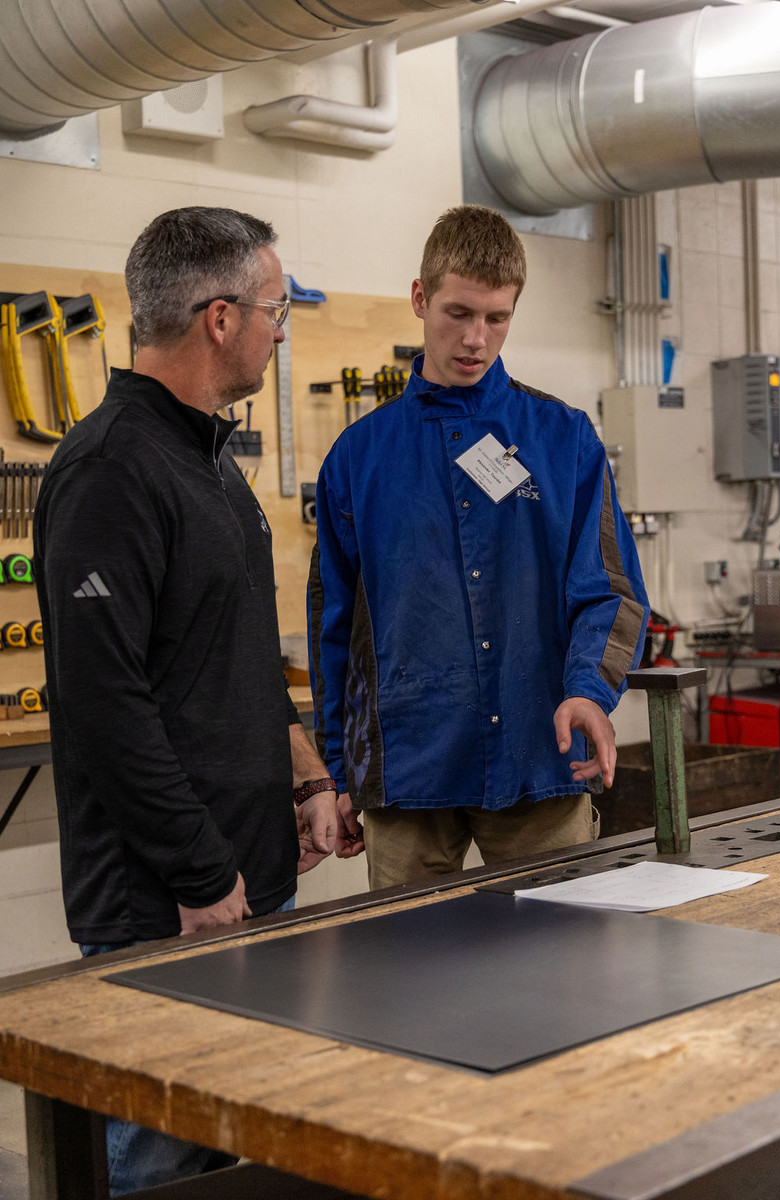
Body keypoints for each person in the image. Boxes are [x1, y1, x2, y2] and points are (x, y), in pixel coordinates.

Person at [33, 206, 338, 1195]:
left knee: (224, 1161)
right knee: (153, 1160)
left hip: (242, 883)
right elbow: (103, 704)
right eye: (273, 306)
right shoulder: (112, 468)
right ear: (218, 319)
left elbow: (240, 659)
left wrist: (302, 782)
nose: (279, 327)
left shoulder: (206, 459)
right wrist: (202, 876)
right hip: (166, 903)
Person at [308, 204, 649, 891]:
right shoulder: (358, 457)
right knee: (409, 981)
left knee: (560, 973)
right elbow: (334, 628)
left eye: (497, 319)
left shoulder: (564, 440)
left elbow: (610, 593)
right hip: (409, 771)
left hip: (539, 759)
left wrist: (588, 692)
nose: (475, 339)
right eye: (458, 313)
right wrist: (342, 773)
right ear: (418, 298)